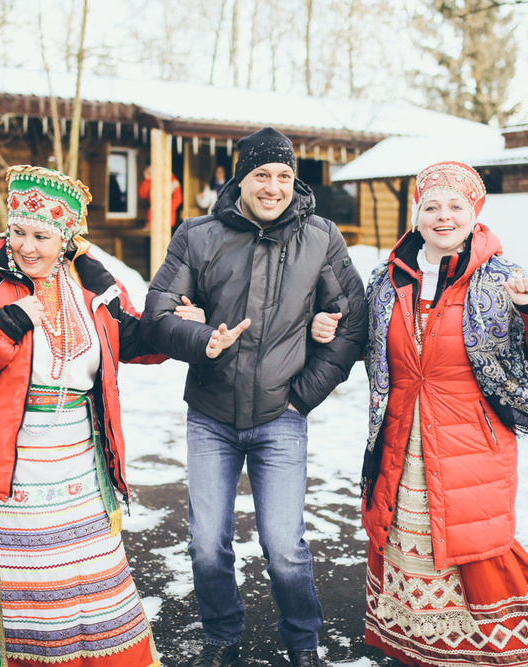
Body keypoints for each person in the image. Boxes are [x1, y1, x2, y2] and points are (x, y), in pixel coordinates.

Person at [0, 165, 203, 667]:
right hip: (5, 469)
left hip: (78, 463)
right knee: (23, 590)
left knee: (89, 586)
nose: (26, 247)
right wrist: (6, 323)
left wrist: (179, 331)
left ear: (68, 235)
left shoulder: (91, 280)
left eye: (42, 236)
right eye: (18, 232)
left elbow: (131, 337)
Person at [339, 160, 528, 667]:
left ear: (475, 214)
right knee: (406, 543)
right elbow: (359, 345)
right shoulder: (386, 280)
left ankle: (510, 651)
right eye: (431, 206)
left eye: (456, 206)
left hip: (469, 442)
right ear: (416, 215)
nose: (443, 216)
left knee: (478, 551)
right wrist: (327, 331)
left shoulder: (503, 278)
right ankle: (425, 648)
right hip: (399, 435)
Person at [140, 127, 369, 667]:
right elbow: (156, 315)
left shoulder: (321, 237)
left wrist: (304, 395)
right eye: (261, 175)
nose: (273, 187)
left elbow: (355, 323)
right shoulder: (196, 236)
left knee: (286, 547)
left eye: (284, 176)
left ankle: (303, 642)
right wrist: (203, 340)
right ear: (239, 177)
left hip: (281, 416)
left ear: (295, 180)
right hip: (211, 415)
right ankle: (222, 636)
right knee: (206, 543)